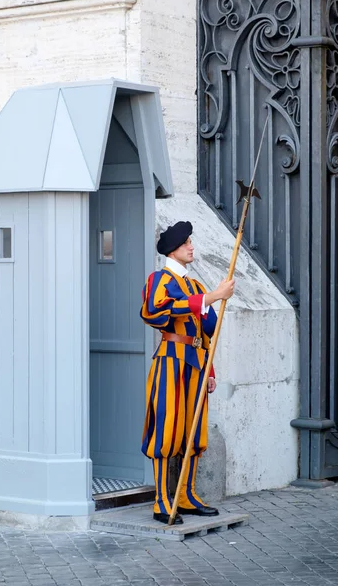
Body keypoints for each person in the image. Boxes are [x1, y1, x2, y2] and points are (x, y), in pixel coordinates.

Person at [140, 220, 235, 525]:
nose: (192, 246)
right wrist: (210, 298)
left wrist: (211, 370)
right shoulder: (159, 279)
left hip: (196, 362)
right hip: (170, 359)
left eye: (191, 242)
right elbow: (154, 313)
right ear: (173, 250)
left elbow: (207, 331)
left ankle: (186, 495)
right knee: (167, 430)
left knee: (192, 431)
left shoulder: (195, 286)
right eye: (186, 243)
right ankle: (162, 501)